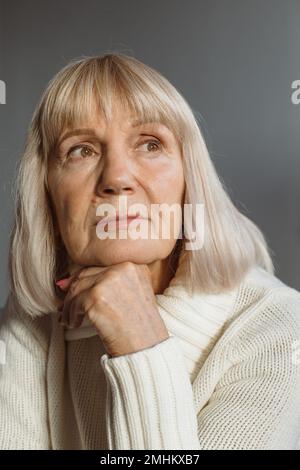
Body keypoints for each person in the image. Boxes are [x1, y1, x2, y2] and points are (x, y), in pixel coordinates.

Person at [0, 53, 299, 450]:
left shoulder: (281, 329)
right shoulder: (33, 316)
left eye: (150, 144)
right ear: (47, 193)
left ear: (189, 179)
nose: (118, 178)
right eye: (81, 150)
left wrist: (140, 342)